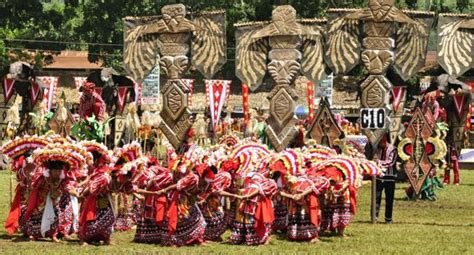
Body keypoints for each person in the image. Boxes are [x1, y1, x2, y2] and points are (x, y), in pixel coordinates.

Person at [373, 133, 398, 224]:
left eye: (381, 139)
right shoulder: (377, 148)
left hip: (390, 177)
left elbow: (391, 162)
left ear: (385, 138)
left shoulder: (393, 149)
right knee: (376, 197)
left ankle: (388, 219)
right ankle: (374, 217)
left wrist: (378, 162)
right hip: (379, 177)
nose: (380, 142)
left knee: (389, 199)